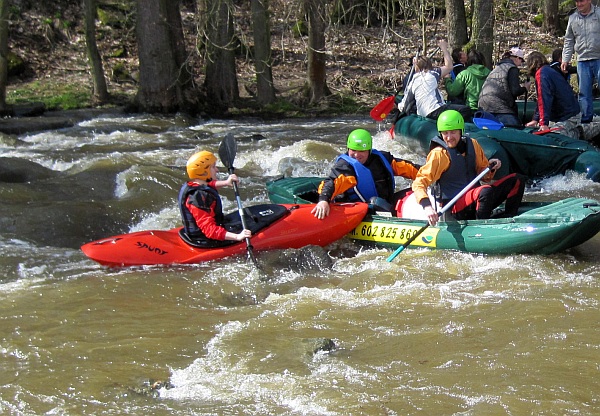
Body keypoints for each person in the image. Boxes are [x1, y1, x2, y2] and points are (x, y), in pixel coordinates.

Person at [412, 110, 526, 226]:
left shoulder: (473, 145)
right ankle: (481, 228)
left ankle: (510, 218)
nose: (449, 137)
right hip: (454, 207)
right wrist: (427, 207)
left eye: (453, 132)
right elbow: (419, 183)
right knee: (485, 191)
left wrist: (491, 167)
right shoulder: (439, 154)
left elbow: (485, 177)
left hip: (476, 200)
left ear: (461, 131)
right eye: (445, 133)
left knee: (517, 179)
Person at [312, 129, 420, 219]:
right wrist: (323, 201)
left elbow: (411, 169)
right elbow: (331, 183)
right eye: (353, 150)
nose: (356, 155)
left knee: (414, 191)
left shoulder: (382, 159)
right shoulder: (345, 167)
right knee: (375, 202)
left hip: (385, 205)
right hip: (358, 211)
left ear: (369, 150)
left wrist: (431, 176)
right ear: (348, 149)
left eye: (361, 151)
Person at [179, 150, 251, 245]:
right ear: (203, 172)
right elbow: (209, 230)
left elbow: (208, 185)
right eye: (213, 167)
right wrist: (237, 237)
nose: (217, 170)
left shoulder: (193, 184)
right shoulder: (197, 198)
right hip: (203, 237)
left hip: (202, 230)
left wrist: (226, 182)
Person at [397, 39, 472, 121]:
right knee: (466, 110)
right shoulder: (432, 73)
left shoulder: (413, 81)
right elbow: (449, 67)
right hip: (437, 110)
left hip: (423, 113)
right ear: (429, 66)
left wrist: (397, 106)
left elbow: (403, 105)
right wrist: (444, 49)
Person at [524, 51, 582, 139]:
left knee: (554, 136)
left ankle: (580, 133)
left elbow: (545, 99)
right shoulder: (550, 71)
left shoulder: (541, 74)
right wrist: (535, 119)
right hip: (570, 112)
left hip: (566, 116)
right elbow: (541, 99)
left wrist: (543, 123)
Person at [562, 0, 600, 124]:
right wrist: (565, 59)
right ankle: (586, 121)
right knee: (584, 93)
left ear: (589, 0)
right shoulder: (573, 18)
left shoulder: (598, 14)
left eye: (581, 1)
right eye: (577, 1)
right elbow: (569, 40)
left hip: (599, 58)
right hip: (582, 60)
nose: (579, 4)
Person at [478, 47, 531, 127]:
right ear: (516, 58)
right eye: (521, 60)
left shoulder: (498, 68)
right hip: (499, 107)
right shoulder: (512, 68)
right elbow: (515, 91)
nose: (521, 64)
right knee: (515, 128)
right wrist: (525, 88)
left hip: (483, 104)